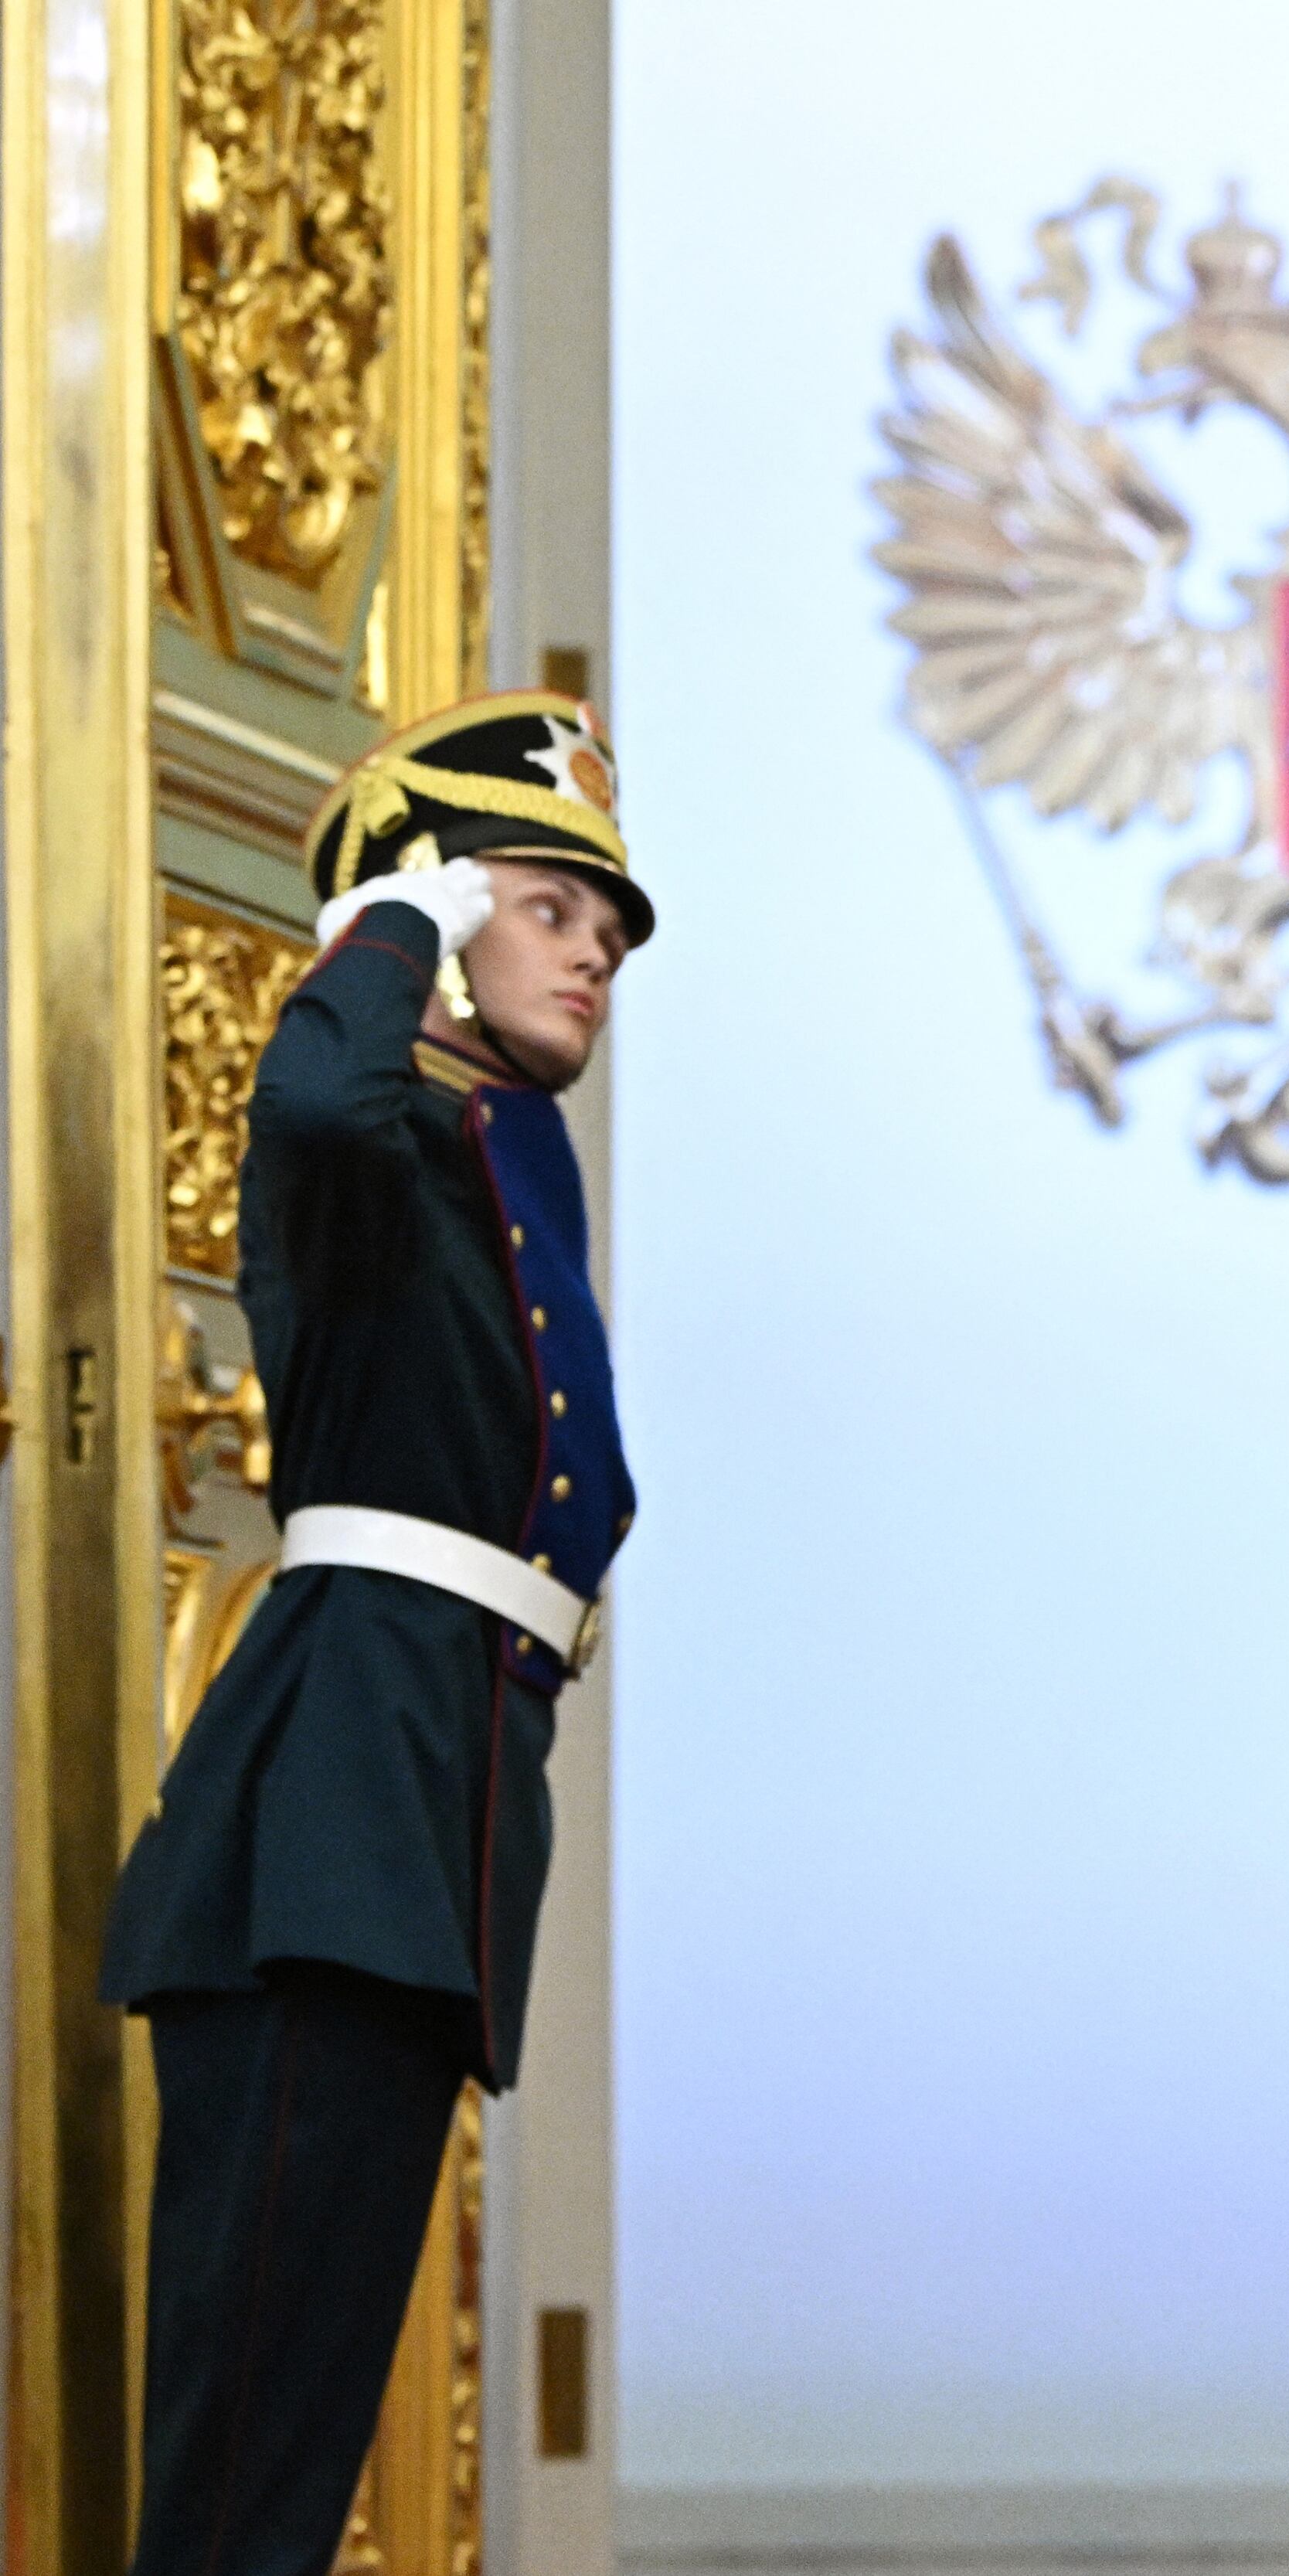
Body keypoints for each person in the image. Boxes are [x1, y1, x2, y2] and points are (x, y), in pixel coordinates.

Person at [101, 690, 648, 2574]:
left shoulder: (506, 1156)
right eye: (548, 901)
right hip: (326, 1829)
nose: (593, 947)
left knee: (303, 2429)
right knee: (242, 2464)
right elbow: (326, 1088)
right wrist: (386, 916)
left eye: (610, 927)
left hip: (430, 1825)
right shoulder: (358, 1136)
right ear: (423, 915)